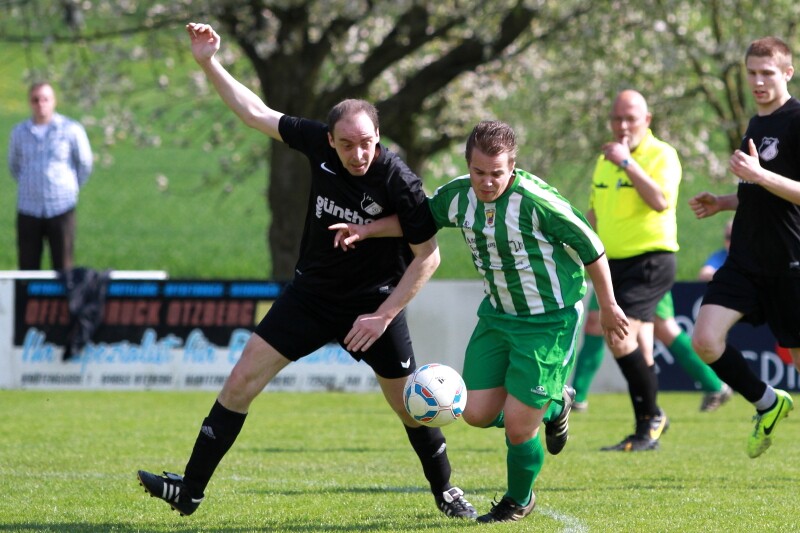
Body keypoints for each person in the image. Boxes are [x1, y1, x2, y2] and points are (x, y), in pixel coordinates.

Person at [136, 22, 477, 520]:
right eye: (347, 144)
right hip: (311, 296)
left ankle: (447, 492)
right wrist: (209, 62)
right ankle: (188, 491)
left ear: (378, 136)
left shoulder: (399, 179)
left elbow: (429, 255)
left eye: (366, 143)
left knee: (411, 405)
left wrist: (382, 316)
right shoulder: (318, 144)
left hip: (373, 305)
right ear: (330, 140)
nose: (358, 154)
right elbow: (256, 113)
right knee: (240, 383)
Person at [331, 120, 629, 522]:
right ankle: (554, 403)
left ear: (512, 167)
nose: (487, 182)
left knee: (519, 428)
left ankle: (518, 500)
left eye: (497, 173)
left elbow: (592, 246)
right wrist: (366, 230)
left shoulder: (537, 201)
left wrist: (608, 305)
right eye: (479, 172)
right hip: (497, 316)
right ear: (468, 165)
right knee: (473, 412)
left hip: (548, 321)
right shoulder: (458, 196)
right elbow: (417, 222)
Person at [689, 36, 798, 459]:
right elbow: (760, 193)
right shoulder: (755, 123)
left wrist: (759, 175)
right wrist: (723, 202)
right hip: (746, 261)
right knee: (705, 339)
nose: (758, 81)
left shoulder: (796, 120)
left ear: (787, 72)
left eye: (767, 72)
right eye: (751, 72)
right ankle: (767, 402)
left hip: (790, 262)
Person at [587, 89, 680, 452]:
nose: (623, 125)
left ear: (647, 120)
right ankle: (651, 419)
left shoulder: (662, 155)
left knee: (618, 336)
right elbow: (595, 213)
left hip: (650, 259)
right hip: (613, 262)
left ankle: (650, 418)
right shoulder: (604, 160)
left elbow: (659, 201)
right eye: (617, 118)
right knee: (639, 346)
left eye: (631, 118)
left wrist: (627, 163)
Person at [571, 290, 732, 413]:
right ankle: (577, 398)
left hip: (645, 266)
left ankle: (714, 386)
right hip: (610, 269)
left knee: (665, 328)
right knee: (595, 322)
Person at [8, 82, 93, 271]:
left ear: (54, 101)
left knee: (63, 267)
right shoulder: (19, 132)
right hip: (29, 207)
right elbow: (14, 165)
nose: (41, 104)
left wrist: (70, 186)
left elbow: (84, 163)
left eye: (45, 99)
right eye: (35, 100)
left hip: (61, 207)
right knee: (27, 267)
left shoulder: (70, 129)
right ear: (30, 103)